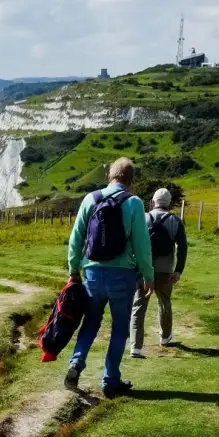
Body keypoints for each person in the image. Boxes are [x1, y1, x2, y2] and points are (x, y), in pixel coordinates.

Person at [64, 157, 156, 398]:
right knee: (119, 328)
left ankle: (76, 362)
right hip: (123, 275)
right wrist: (148, 275)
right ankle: (110, 380)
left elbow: (76, 238)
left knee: (91, 321)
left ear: (110, 177)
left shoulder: (90, 199)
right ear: (131, 181)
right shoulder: (134, 203)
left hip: (92, 271)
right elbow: (142, 245)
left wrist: (73, 270)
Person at [131, 188, 189, 356]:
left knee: (139, 305)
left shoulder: (143, 218)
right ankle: (165, 337)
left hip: (143, 268)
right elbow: (182, 248)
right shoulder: (175, 221)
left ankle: (135, 346)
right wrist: (178, 270)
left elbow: (132, 242)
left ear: (153, 201)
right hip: (166, 270)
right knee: (164, 302)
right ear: (168, 203)